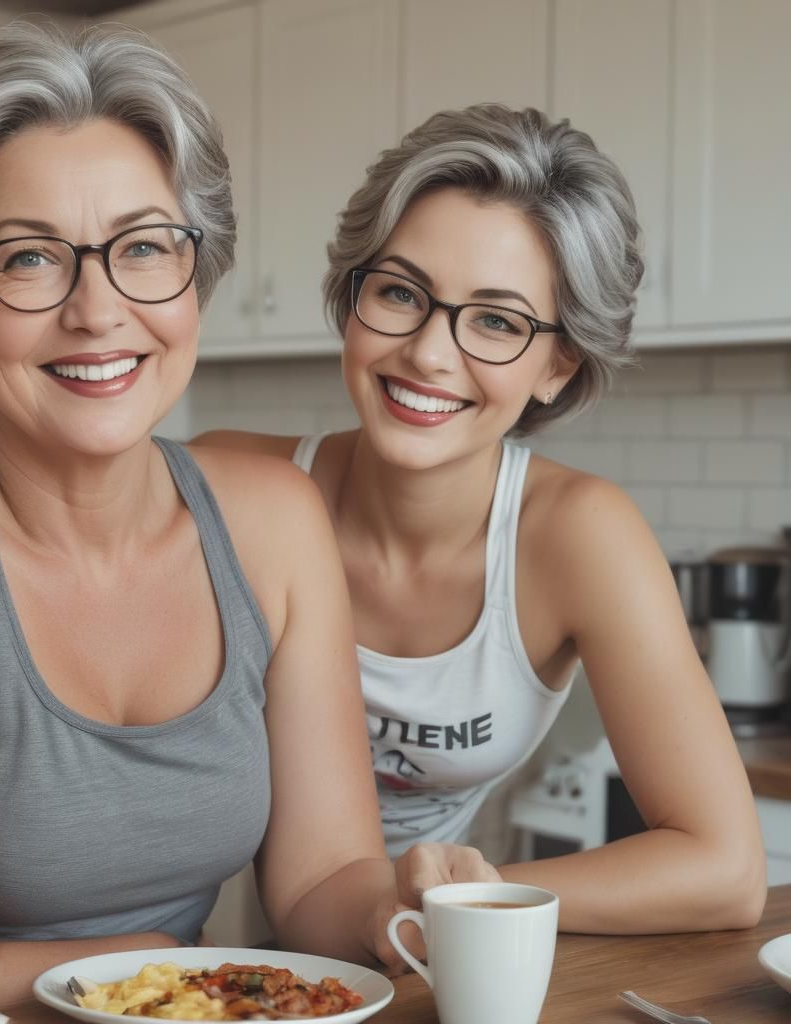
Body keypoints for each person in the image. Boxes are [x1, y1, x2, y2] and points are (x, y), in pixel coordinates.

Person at [0, 22, 446, 1017]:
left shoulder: (273, 524)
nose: (98, 310)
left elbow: (315, 885)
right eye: (30, 258)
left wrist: (407, 907)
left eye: (142, 246)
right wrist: (193, 962)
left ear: (194, 276)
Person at [195, 104, 767, 934]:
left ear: (556, 365)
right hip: (216, 949)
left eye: (496, 320)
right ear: (351, 301)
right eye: (400, 292)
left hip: (440, 953)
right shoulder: (231, 486)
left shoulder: (580, 535)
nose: (430, 353)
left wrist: (466, 901)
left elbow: (726, 868)